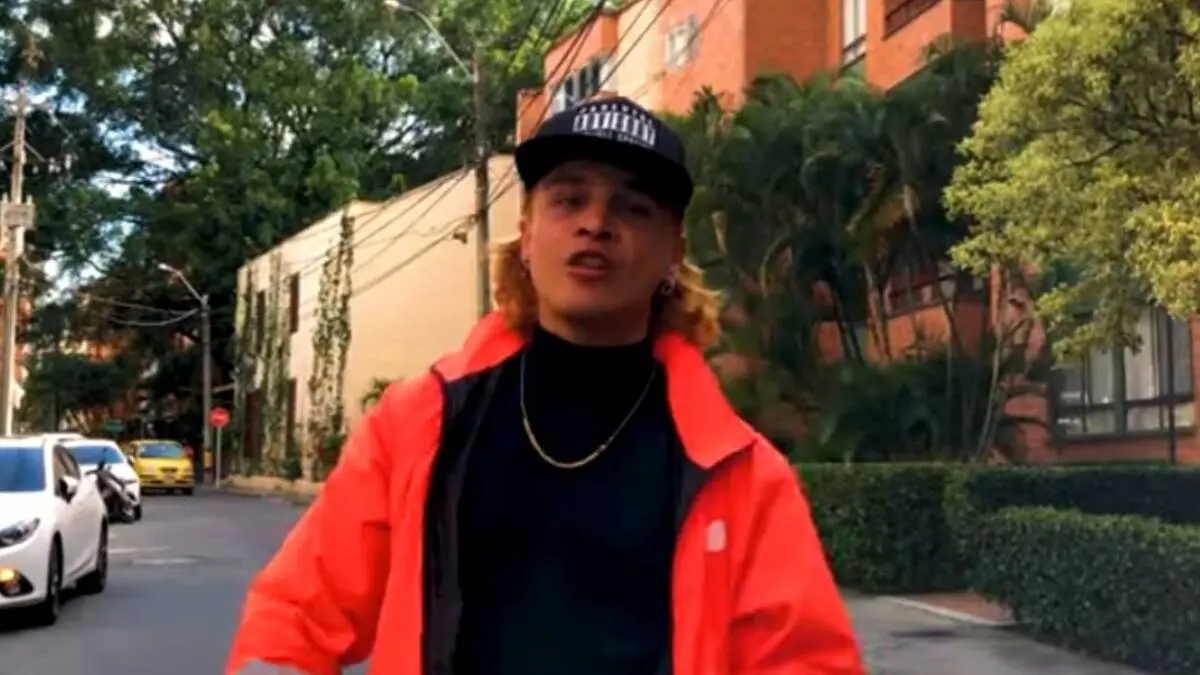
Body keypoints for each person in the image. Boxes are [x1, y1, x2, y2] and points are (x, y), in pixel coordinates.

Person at [226, 96, 864, 675]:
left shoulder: (743, 475)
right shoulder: (420, 423)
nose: (596, 223)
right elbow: (295, 616)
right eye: (569, 199)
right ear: (527, 235)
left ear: (673, 249)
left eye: (633, 206)